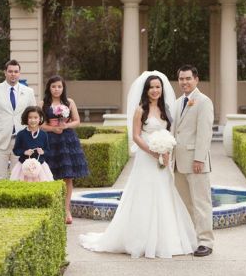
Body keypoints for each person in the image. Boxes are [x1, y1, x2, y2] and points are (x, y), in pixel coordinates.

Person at [80, 71, 197, 259]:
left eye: (158, 87)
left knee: (164, 193)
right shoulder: (140, 110)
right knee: (144, 194)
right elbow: (135, 135)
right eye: (151, 87)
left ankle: (165, 239)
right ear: (146, 90)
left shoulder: (166, 109)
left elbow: (169, 133)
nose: (155, 90)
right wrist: (153, 151)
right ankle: (140, 239)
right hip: (146, 157)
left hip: (162, 159)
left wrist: (166, 151)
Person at [173, 65, 214, 257]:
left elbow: (205, 133)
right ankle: (191, 239)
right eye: (181, 79)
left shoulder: (204, 101)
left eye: (188, 78)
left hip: (196, 161)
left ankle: (205, 242)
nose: (184, 82)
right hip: (178, 163)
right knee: (185, 203)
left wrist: (199, 158)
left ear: (196, 79)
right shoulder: (177, 102)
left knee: (201, 203)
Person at [40, 75, 89, 224]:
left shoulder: (69, 102)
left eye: (59, 87)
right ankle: (53, 209)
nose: (56, 89)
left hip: (67, 141)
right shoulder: (43, 103)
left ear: (63, 88)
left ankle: (66, 210)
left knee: (68, 177)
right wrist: (53, 129)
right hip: (50, 141)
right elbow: (40, 124)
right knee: (50, 175)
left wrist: (66, 125)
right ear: (49, 88)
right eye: (54, 86)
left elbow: (77, 121)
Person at [0, 59, 36, 181]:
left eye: (16, 71)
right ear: (5, 72)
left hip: (22, 141)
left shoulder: (28, 92)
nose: (13, 74)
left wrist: (32, 137)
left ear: (19, 73)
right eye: (10, 71)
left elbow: (33, 116)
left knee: (21, 177)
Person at [10, 106, 53, 182]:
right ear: (26, 118)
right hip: (23, 167)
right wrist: (24, 152)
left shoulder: (44, 135)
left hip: (40, 168)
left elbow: (48, 150)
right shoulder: (21, 134)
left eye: (36, 117)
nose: (33, 120)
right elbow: (16, 150)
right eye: (30, 118)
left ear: (40, 119)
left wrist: (43, 152)